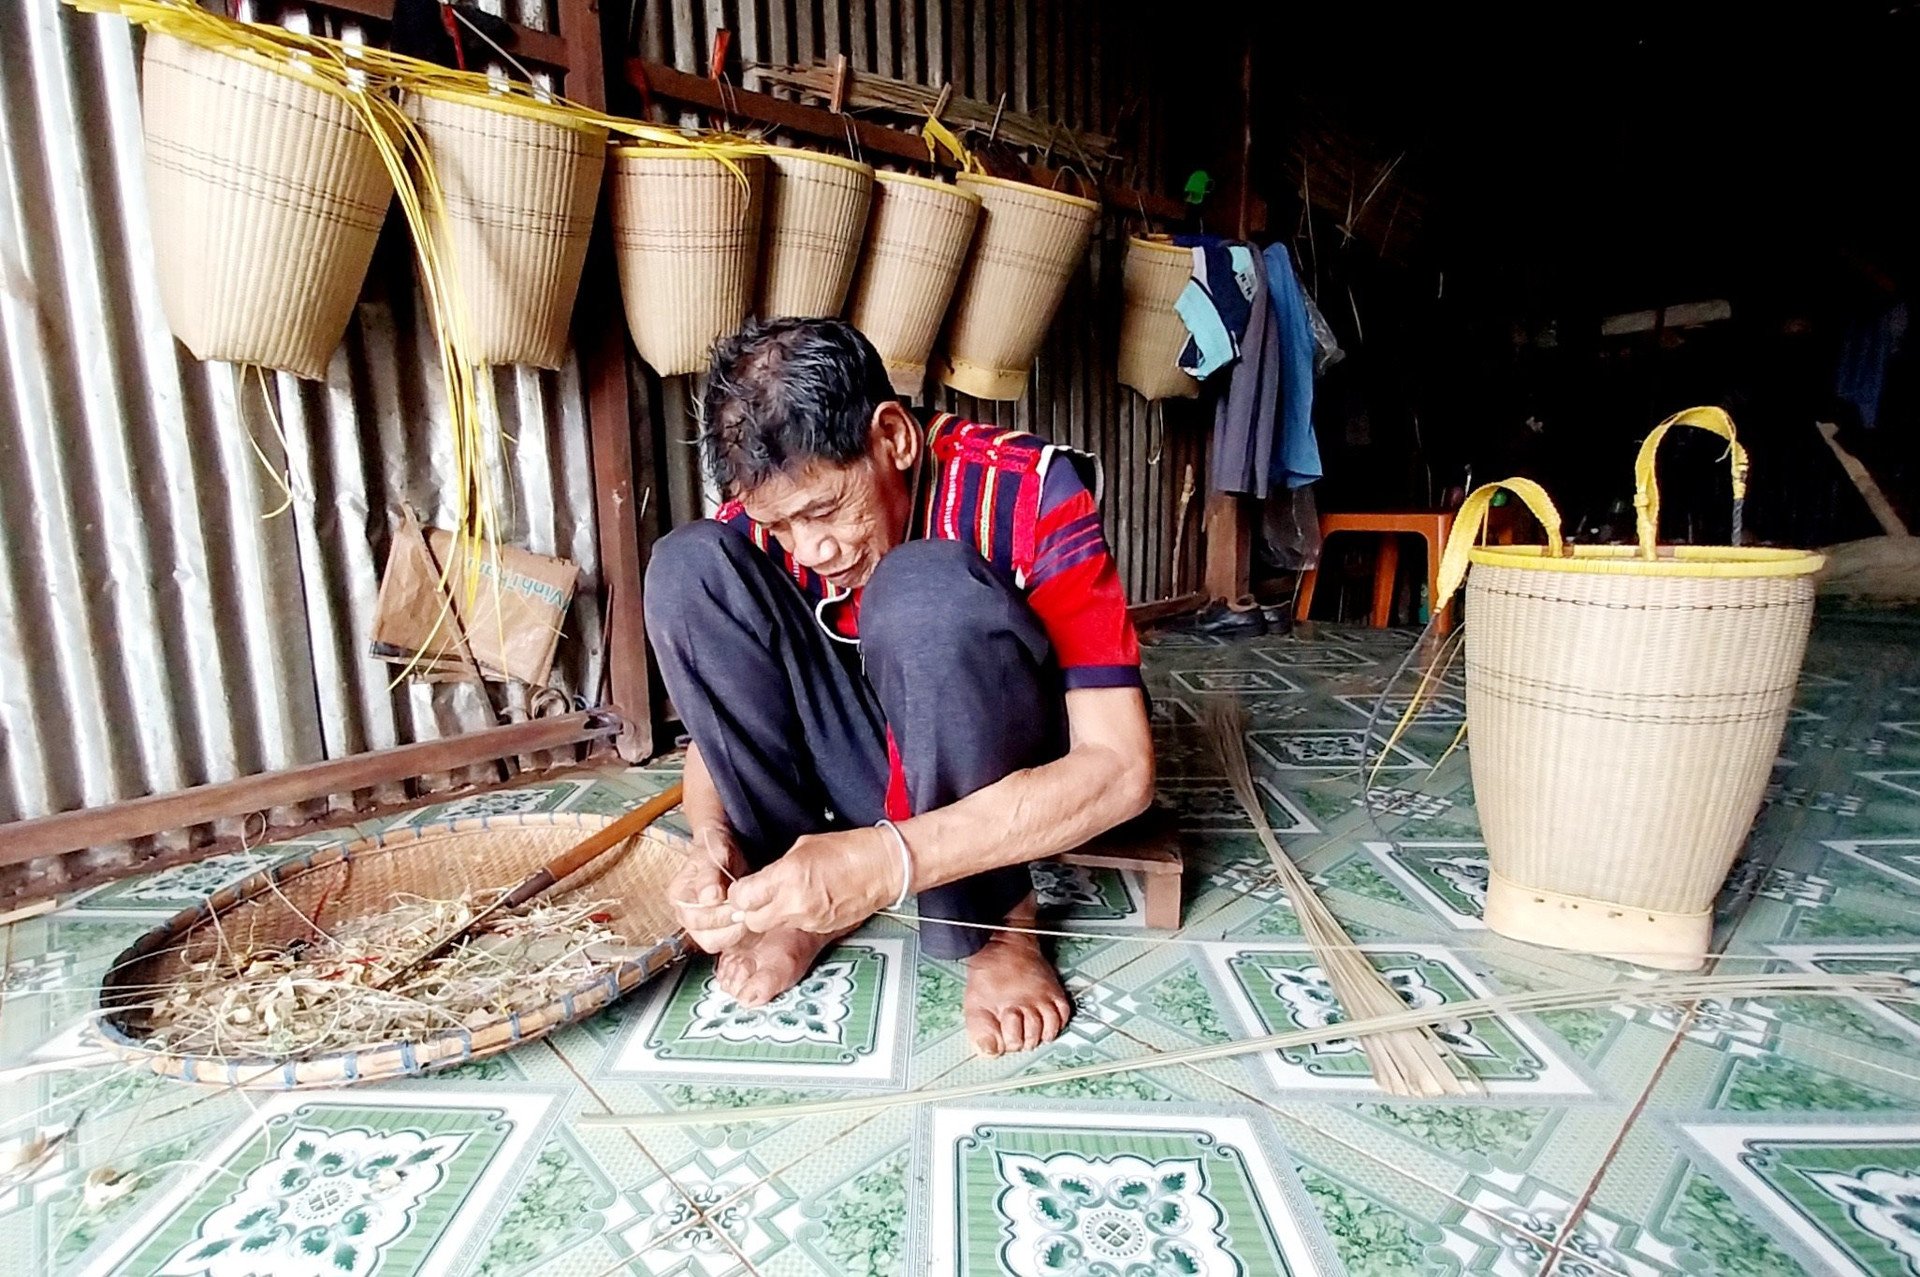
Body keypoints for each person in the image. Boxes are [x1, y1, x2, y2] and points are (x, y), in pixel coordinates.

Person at [644, 318, 1155, 1057]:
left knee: (922, 591)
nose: (810, 550)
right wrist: (713, 840)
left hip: (1006, 763)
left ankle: (996, 923)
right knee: (688, 567)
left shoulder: (1029, 489)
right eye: (782, 525)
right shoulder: (766, 528)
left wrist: (886, 863)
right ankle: (796, 894)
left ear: (895, 438)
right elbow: (718, 731)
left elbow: (1122, 768)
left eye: (823, 510)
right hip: (871, 763)